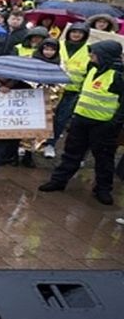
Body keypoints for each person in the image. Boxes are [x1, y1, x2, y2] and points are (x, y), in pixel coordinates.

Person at [39, 41, 124, 206]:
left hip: (104, 125)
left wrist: (114, 122)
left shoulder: (118, 76)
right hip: (81, 120)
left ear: (105, 56)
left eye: (94, 54)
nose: (91, 57)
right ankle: (58, 181)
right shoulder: (92, 70)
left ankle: (103, 189)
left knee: (104, 158)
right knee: (71, 153)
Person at [47, 22, 90, 159]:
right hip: (53, 88)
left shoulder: (89, 50)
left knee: (61, 119)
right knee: (47, 117)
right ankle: (36, 142)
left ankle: (51, 144)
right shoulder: (58, 45)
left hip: (72, 91)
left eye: (80, 33)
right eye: (74, 32)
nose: (76, 35)